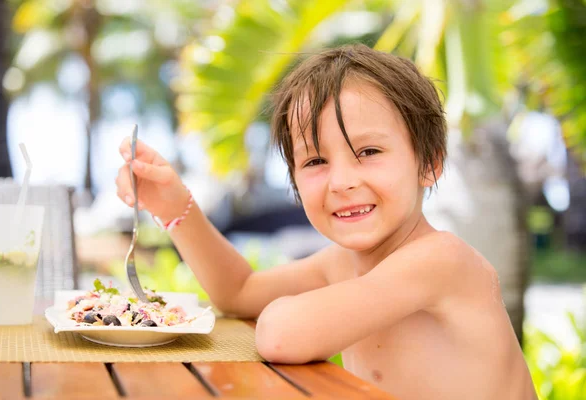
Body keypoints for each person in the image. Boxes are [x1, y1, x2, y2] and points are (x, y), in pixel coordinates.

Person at [115, 44, 537, 399]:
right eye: (316, 160)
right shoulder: (341, 264)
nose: (341, 182)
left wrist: (288, 310)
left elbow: (281, 334)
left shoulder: (440, 260)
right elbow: (238, 292)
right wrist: (174, 206)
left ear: (429, 163)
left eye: (368, 152)